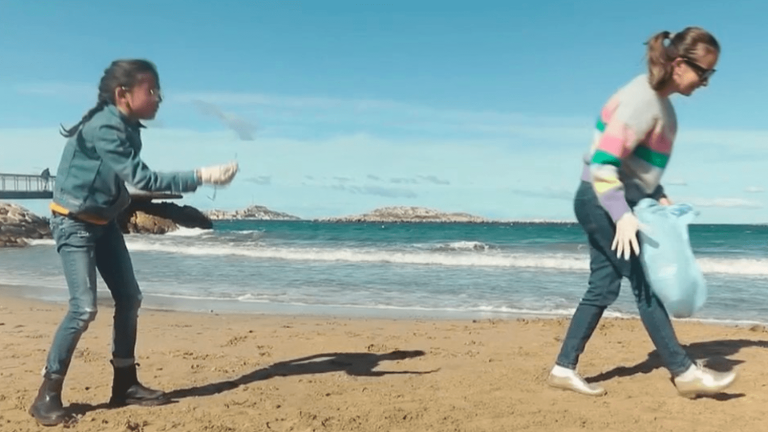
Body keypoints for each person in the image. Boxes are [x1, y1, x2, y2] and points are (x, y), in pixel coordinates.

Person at [29, 59, 239, 426]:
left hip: (104, 222)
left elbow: (122, 179)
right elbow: (140, 177)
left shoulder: (129, 128)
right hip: (73, 223)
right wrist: (201, 176)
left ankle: (124, 383)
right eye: (151, 90)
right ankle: (47, 395)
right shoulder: (106, 126)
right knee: (83, 309)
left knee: (129, 298)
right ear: (122, 94)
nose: (158, 98)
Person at [547, 28, 737, 398]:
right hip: (601, 199)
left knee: (603, 287)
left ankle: (562, 367)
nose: (705, 83)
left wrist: (661, 196)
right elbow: (603, 163)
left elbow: (635, 167)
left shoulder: (662, 107)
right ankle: (684, 373)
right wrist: (621, 215)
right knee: (644, 284)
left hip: (606, 199)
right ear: (680, 64)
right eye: (704, 72)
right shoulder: (642, 99)